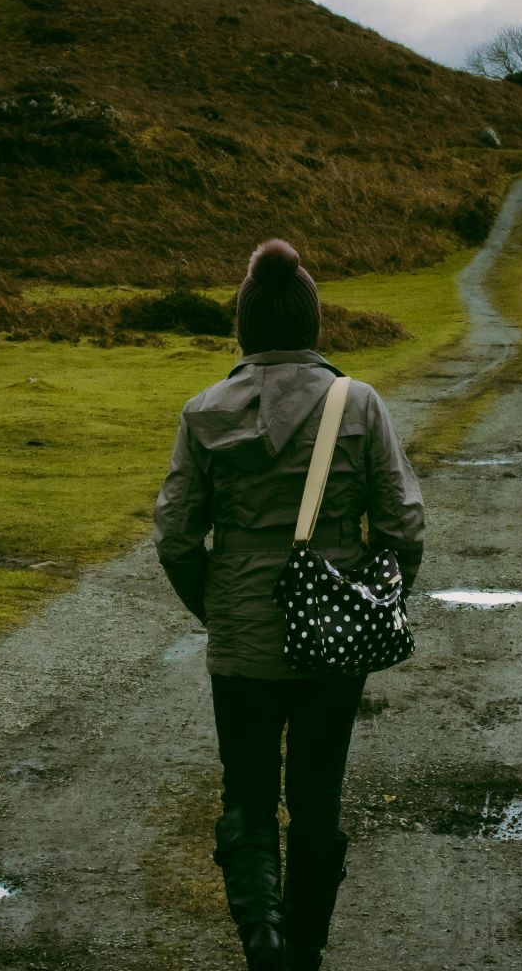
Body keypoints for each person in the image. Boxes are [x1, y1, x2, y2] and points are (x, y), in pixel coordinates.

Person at [153, 238, 425, 970]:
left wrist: (220, 611)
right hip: (334, 635)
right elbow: (403, 525)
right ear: (311, 326)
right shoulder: (358, 403)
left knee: (245, 790)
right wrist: (375, 597)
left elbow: (176, 538)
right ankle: (303, 948)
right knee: (316, 791)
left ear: (245, 328)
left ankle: (263, 943)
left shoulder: (203, 410)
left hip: (241, 634)